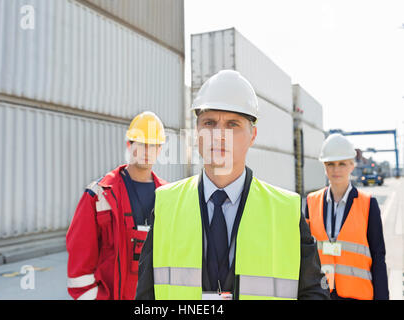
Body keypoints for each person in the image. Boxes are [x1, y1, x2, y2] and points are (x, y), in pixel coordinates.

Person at [136, 70, 329, 300]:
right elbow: (146, 298)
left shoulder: (285, 211)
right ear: (197, 132)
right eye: (209, 123)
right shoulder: (166, 205)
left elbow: (314, 293)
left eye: (232, 124)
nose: (219, 135)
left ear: (253, 135)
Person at [66, 111, 168, 300]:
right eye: (141, 144)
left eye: (153, 145)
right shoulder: (99, 195)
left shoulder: (169, 196)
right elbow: (79, 268)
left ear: (160, 149)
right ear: (129, 145)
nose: (147, 151)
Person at [305, 133, 389, 300]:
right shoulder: (311, 202)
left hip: (357, 295)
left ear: (352, 165)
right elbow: (306, 254)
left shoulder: (368, 204)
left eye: (342, 164)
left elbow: (378, 256)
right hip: (321, 293)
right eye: (330, 164)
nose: (336, 169)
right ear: (324, 166)